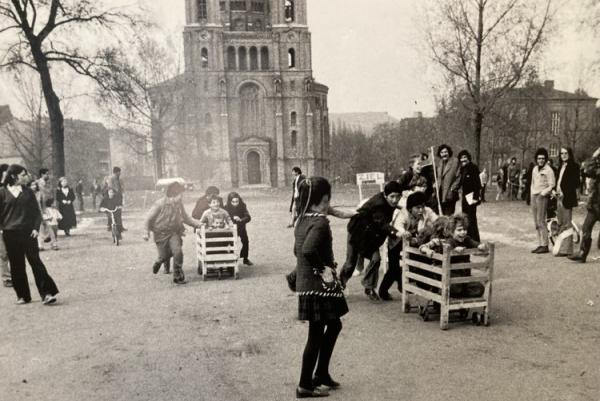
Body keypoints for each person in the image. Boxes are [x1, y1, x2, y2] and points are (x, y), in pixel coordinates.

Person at [293, 176, 347, 398]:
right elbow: (306, 250)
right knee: (316, 334)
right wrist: (323, 269)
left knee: (334, 325)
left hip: (308, 285)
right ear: (324, 199)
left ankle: (321, 374)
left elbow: (297, 251)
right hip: (318, 286)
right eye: (328, 199)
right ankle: (305, 384)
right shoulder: (320, 222)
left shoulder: (302, 219)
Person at [0, 164, 59, 305]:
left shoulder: (28, 192)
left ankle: (47, 293)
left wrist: (35, 228)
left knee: (35, 262)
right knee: (16, 265)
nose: (26, 177)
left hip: (28, 233)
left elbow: (36, 213)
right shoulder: (2, 192)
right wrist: (2, 229)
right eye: (23, 174)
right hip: (10, 234)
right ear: (14, 176)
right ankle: (23, 296)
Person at [339, 181, 402, 301]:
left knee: (376, 259)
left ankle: (369, 287)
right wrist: (396, 232)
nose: (395, 200)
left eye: (398, 196)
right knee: (350, 264)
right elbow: (382, 223)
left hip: (372, 237)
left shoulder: (388, 201)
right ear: (385, 195)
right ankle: (339, 286)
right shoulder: (378, 205)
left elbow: (403, 182)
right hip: (357, 234)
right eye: (392, 197)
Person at [379, 191, 438, 301]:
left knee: (419, 259)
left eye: (423, 207)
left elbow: (438, 220)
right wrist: (403, 233)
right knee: (393, 268)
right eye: (418, 208)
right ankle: (383, 291)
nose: (421, 210)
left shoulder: (427, 211)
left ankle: (415, 286)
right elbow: (398, 226)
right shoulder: (403, 213)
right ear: (410, 208)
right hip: (396, 241)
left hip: (414, 240)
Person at [143, 182, 202, 284]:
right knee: (164, 255)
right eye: (180, 195)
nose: (182, 197)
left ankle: (177, 275)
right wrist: (146, 232)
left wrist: (199, 224)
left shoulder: (179, 205)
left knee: (177, 251)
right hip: (160, 234)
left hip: (173, 232)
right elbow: (148, 219)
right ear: (173, 195)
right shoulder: (159, 204)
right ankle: (159, 261)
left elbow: (186, 218)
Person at [569, 148, 600, 263]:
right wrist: (595, 155)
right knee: (586, 228)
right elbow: (586, 169)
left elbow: (590, 170)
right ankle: (582, 254)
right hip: (595, 205)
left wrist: (595, 155)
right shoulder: (597, 167)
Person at [552, 148, 580, 257]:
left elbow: (575, 183)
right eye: (561, 153)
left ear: (569, 154)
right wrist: (554, 190)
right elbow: (558, 181)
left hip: (567, 198)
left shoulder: (574, 166)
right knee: (561, 223)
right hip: (558, 197)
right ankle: (561, 247)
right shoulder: (560, 166)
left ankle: (568, 250)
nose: (563, 155)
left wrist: (564, 192)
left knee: (567, 224)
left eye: (565, 153)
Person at [530, 148, 556, 254]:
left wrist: (543, 193)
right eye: (539, 158)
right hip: (534, 196)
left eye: (543, 158)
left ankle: (545, 245)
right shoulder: (535, 169)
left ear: (545, 159)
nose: (541, 160)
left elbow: (552, 184)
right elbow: (532, 182)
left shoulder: (549, 170)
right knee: (536, 222)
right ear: (536, 159)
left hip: (542, 197)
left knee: (541, 221)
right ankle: (540, 243)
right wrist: (532, 194)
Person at [456, 150, 482, 241]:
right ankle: (468, 238)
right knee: (465, 218)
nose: (463, 159)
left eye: (465, 157)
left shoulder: (473, 168)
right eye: (461, 158)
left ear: (468, 158)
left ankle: (475, 239)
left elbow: (477, 184)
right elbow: (460, 182)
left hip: (471, 197)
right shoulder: (462, 169)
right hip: (465, 197)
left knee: (472, 219)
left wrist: (475, 197)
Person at [225, 192, 253, 266]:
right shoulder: (226, 207)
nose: (235, 203)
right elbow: (224, 218)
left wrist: (241, 219)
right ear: (230, 201)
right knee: (230, 243)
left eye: (237, 201)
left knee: (245, 242)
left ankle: (245, 258)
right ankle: (230, 258)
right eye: (233, 202)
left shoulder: (243, 206)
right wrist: (232, 219)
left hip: (241, 227)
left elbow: (248, 217)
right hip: (231, 229)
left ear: (239, 200)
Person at [435, 144, 460, 215]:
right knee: (441, 215)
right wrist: (436, 184)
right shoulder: (439, 163)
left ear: (449, 152)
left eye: (445, 152)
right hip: (440, 193)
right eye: (442, 152)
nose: (444, 154)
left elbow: (459, 177)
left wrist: (453, 188)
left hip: (450, 194)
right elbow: (438, 177)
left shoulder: (455, 162)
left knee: (448, 215)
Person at [0, 164, 11, 287]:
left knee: (9, 251)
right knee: (3, 252)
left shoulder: (9, 188)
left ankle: (12, 275)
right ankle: (6, 278)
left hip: (9, 223)